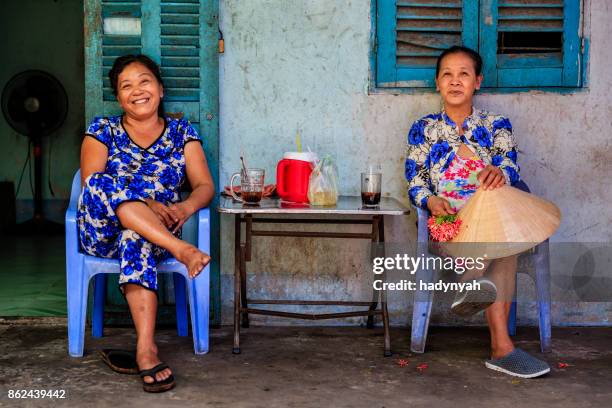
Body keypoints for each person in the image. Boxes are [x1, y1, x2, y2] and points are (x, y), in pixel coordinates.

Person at [405, 46, 550, 378]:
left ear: (478, 82)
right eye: (447, 75)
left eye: (464, 74)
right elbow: (415, 179)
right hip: (450, 221)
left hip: (494, 220)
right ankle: (501, 346)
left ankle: (471, 284)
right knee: (505, 247)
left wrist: (500, 174)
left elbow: (510, 165)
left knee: (503, 237)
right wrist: (429, 201)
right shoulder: (424, 129)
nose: (455, 81)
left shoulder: (496, 125)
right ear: (437, 83)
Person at [77, 54, 214, 392]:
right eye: (126, 86)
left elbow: (205, 186)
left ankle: (146, 349)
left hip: (155, 233)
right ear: (119, 97)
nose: (137, 90)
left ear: (161, 89)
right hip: (102, 230)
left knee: (134, 239)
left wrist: (183, 209)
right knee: (99, 182)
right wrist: (150, 203)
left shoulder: (183, 132)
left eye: (144, 81)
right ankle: (182, 249)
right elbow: (91, 185)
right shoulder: (101, 130)